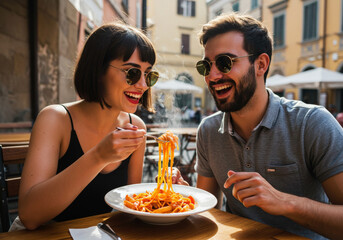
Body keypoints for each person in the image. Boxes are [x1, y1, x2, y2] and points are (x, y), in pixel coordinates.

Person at [193, 13, 343, 240]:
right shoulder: (208, 131)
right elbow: (205, 211)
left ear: (260, 64)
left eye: (225, 63)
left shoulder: (312, 124)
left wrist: (285, 202)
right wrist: (184, 199)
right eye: (206, 66)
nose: (212, 76)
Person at [17, 22, 159, 230]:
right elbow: (29, 216)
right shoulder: (55, 119)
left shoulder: (136, 127)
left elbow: (129, 209)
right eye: (132, 73)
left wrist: (163, 196)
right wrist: (99, 156)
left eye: (149, 75)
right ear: (98, 69)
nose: (143, 85)